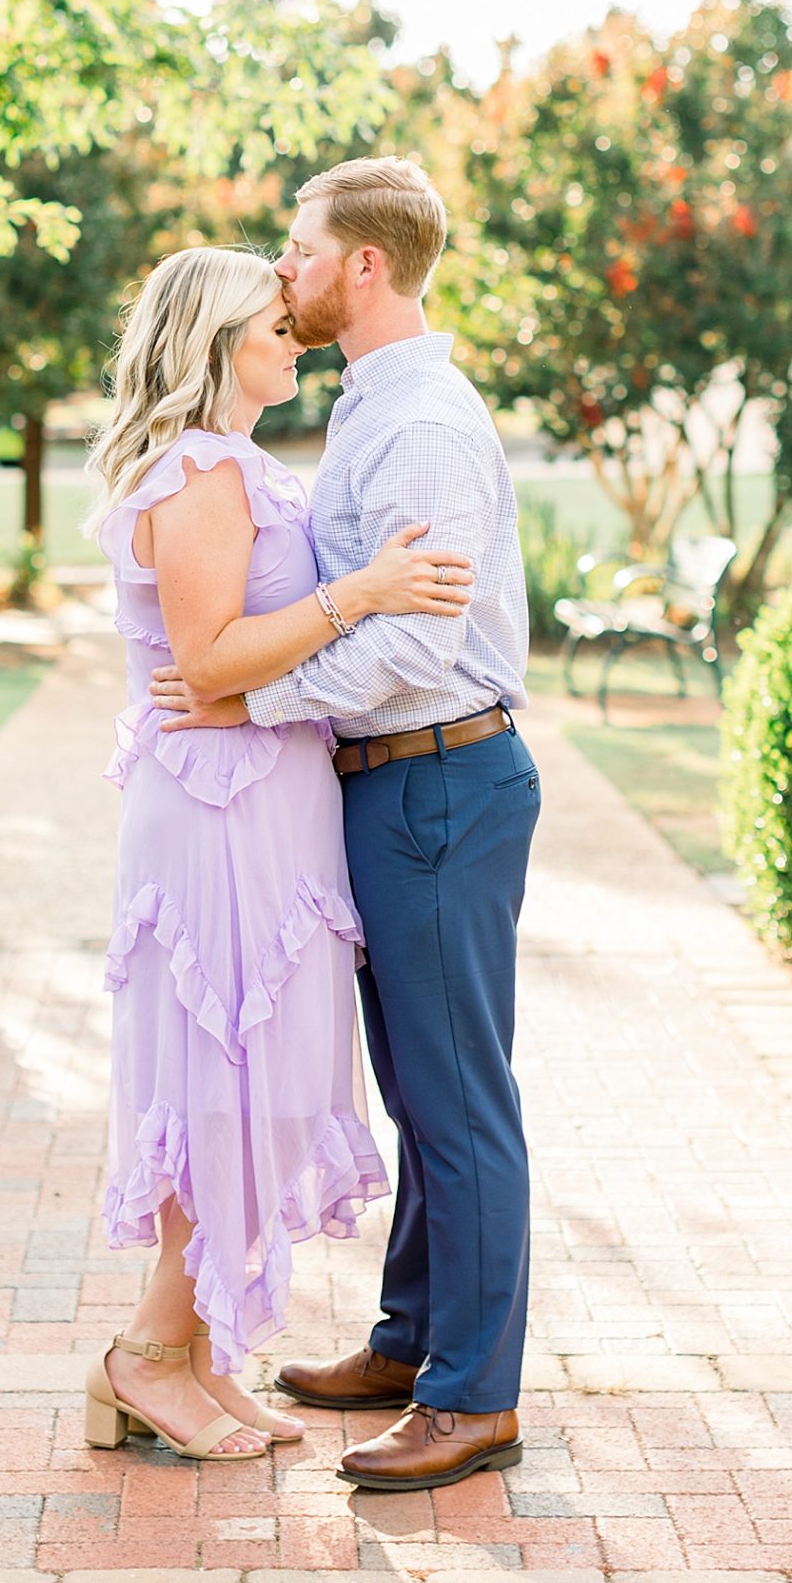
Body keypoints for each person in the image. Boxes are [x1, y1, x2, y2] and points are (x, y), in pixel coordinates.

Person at [150, 157, 539, 1494]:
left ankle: (471, 1396)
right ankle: (413, 1339)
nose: (284, 268)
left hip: (438, 771)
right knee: (424, 1086)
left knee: (456, 1097)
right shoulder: (373, 404)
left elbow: (414, 644)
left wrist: (252, 701)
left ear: (359, 266)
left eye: (299, 248)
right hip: (397, 778)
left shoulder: (417, 421)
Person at [83, 243, 476, 1462]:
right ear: (212, 345)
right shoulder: (200, 470)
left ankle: (198, 1354)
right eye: (269, 322)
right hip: (215, 814)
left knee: (258, 1074)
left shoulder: (245, 465)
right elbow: (208, 661)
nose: (290, 334)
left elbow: (241, 659)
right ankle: (146, 1356)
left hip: (268, 801)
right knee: (219, 1067)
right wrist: (363, 592)